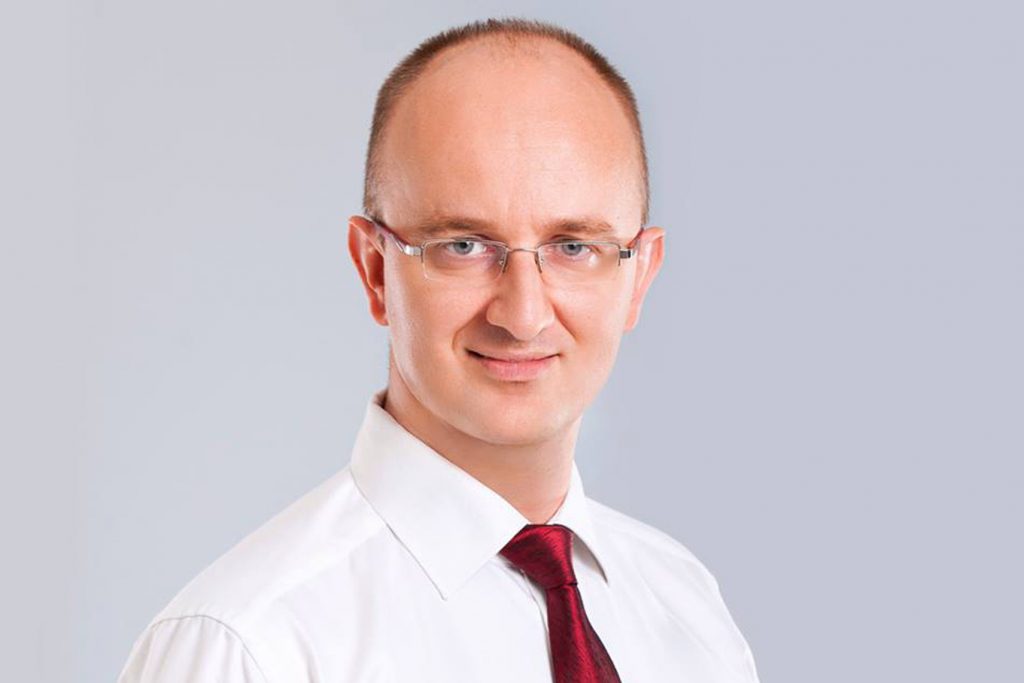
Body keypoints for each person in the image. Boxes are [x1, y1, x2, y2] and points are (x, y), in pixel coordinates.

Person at [118, 18, 760, 683]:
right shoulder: (250, 647)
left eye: (574, 247)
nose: (523, 315)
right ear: (375, 270)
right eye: (463, 246)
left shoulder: (691, 616)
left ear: (639, 276)